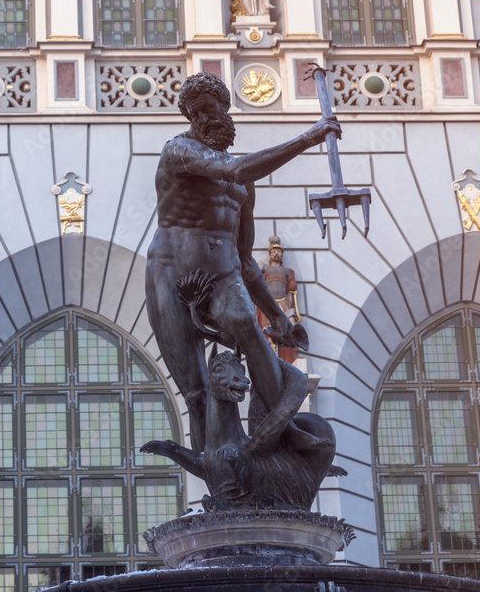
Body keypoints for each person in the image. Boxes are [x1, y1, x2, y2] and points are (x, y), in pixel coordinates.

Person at [144, 73, 340, 452]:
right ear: (189, 116)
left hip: (222, 276)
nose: (208, 118)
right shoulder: (179, 152)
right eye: (198, 112)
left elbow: (245, 259)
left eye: (213, 109)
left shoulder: (242, 183)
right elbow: (237, 168)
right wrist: (308, 138)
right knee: (197, 393)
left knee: (248, 326)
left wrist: (278, 315)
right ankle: (216, 478)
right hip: (170, 275)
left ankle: (281, 430)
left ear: (226, 111)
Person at [256, 237, 301, 365]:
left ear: (282, 255)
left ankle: (292, 355)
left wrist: (291, 307)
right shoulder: (264, 267)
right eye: (274, 252)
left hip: (283, 303)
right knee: (267, 330)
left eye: (279, 252)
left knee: (289, 328)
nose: (276, 254)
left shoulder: (287, 271)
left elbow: (291, 291)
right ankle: (269, 358)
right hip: (268, 304)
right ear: (270, 254)